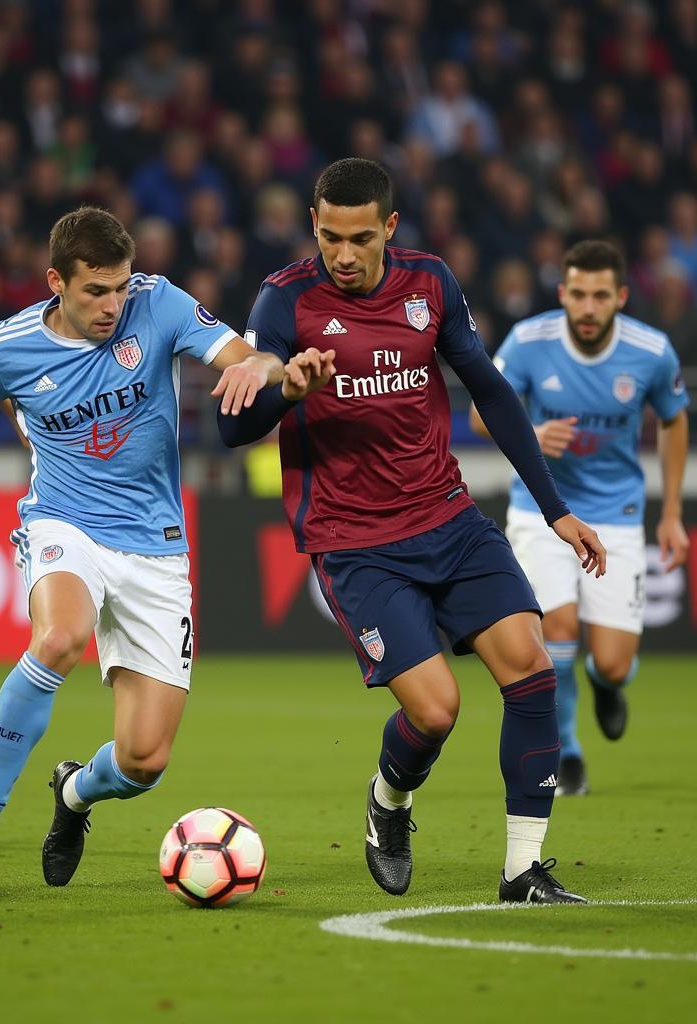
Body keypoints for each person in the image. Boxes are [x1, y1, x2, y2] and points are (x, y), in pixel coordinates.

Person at [218, 158, 606, 904]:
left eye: (361, 237)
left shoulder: (431, 284)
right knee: (435, 711)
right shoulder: (284, 300)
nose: (344, 254)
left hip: (448, 517)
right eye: (330, 236)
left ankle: (522, 869)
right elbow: (232, 428)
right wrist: (285, 389)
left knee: (531, 670)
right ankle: (389, 803)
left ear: (389, 228)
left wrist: (555, 508)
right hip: (355, 540)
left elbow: (489, 390)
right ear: (315, 227)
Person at [0, 206, 323, 880]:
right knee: (58, 638)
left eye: (119, 286)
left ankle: (72, 794)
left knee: (143, 761)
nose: (111, 304)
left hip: (157, 546)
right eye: (95, 290)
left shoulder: (158, 305)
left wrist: (279, 374)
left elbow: (247, 358)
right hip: (64, 523)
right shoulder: (4, 349)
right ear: (55, 283)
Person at [470, 240, 690, 796]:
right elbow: (478, 414)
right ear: (563, 293)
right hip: (542, 509)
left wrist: (672, 514)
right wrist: (532, 436)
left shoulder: (651, 351)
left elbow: (674, 419)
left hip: (617, 512)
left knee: (613, 663)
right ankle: (568, 752)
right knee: (557, 630)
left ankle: (607, 684)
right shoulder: (527, 341)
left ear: (619, 296)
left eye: (600, 296)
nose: (588, 308)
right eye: (578, 295)